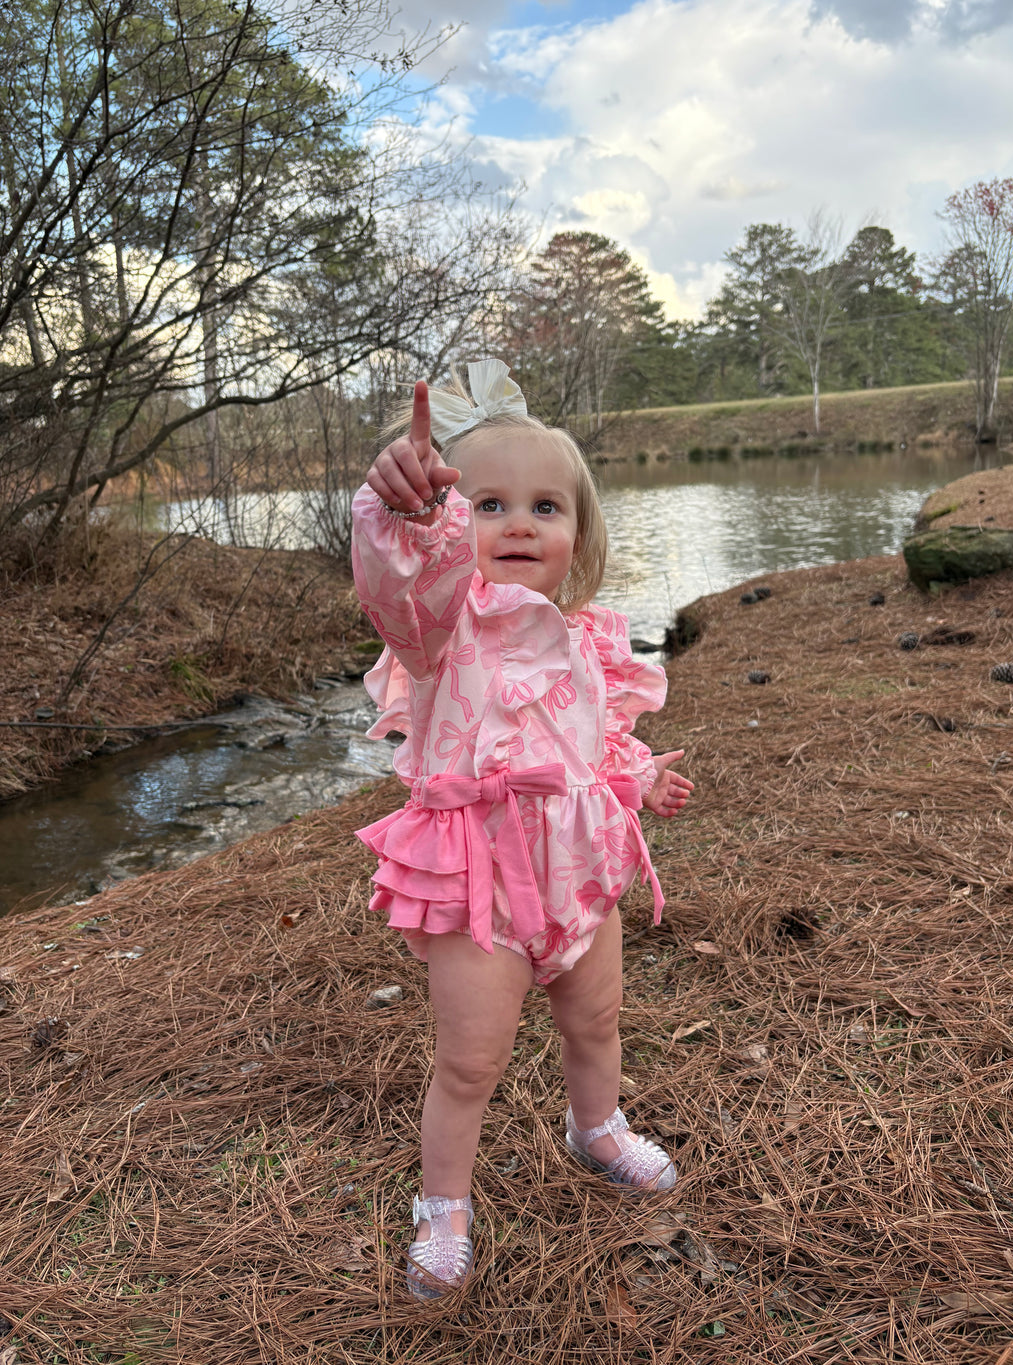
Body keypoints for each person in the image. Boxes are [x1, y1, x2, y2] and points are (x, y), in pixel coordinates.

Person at [351, 359, 694, 1300]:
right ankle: (443, 1205)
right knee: (470, 1059)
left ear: (579, 533)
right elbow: (399, 588)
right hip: (480, 882)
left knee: (597, 1017)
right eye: (487, 505)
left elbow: (597, 738)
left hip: (580, 867)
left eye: (546, 507)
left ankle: (597, 1126)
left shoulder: (587, 636)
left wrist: (640, 779)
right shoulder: (441, 632)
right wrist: (409, 519)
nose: (517, 524)